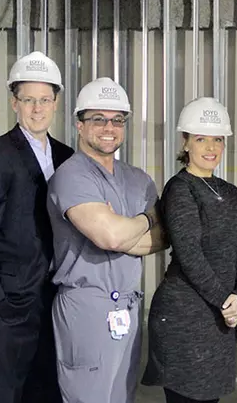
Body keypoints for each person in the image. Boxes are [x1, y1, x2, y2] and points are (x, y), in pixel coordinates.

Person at [0, 51, 74, 403]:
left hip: (54, 298)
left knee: (46, 390)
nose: (37, 108)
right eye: (28, 100)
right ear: (14, 103)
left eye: (44, 100)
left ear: (56, 103)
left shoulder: (67, 157)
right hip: (8, 302)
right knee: (2, 393)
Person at [47, 77, 167, 403]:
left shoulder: (138, 180)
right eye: (98, 119)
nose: (108, 127)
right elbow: (110, 234)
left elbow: (161, 239)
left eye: (117, 120)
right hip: (86, 307)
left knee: (121, 396)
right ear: (79, 125)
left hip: (128, 304)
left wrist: (121, 232)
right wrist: (146, 219)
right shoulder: (71, 175)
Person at [142, 96, 237, 403]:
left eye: (217, 139)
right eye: (201, 139)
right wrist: (225, 299)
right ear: (186, 142)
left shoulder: (232, 193)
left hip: (220, 319)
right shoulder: (179, 188)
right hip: (184, 316)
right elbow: (190, 253)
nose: (211, 148)